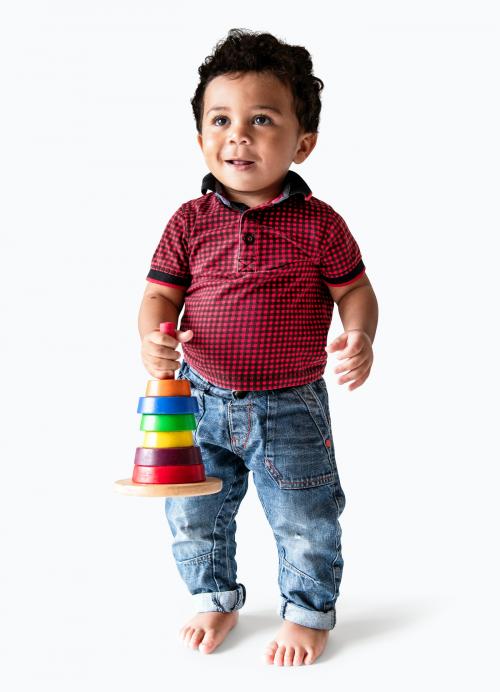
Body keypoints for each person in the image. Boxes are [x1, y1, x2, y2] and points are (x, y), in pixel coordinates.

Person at [138, 28, 378, 666]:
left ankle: (307, 610)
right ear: (200, 139)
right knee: (193, 510)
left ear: (303, 143)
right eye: (221, 119)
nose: (238, 134)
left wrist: (360, 334)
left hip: (290, 405)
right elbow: (159, 298)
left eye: (261, 119)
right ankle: (213, 595)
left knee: (305, 512)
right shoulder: (189, 222)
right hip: (196, 397)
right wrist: (151, 341)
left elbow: (355, 290)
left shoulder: (319, 223)